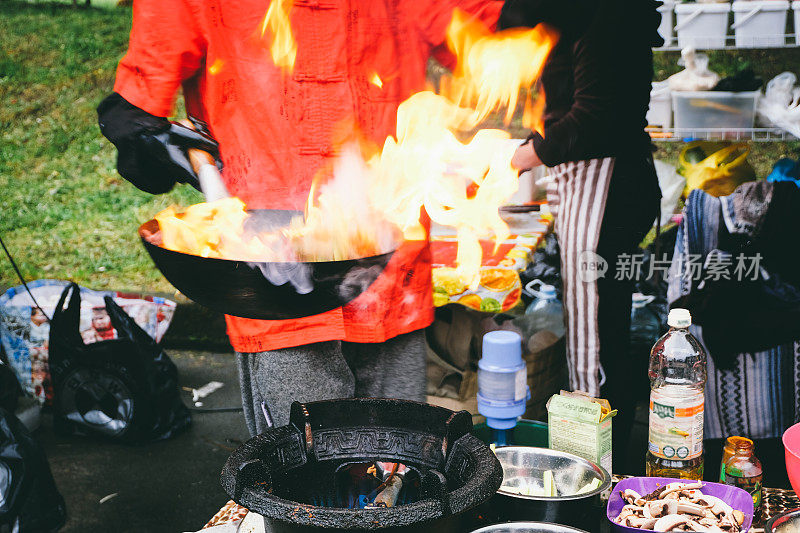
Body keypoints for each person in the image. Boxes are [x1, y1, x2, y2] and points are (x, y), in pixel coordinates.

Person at [98, 0, 504, 433]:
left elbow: (481, 32)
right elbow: (144, 90)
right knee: (302, 477)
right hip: (272, 273)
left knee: (397, 465)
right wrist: (144, 138)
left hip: (387, 269)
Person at [500, 0, 663, 467]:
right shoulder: (588, 16)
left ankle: (599, 473)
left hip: (607, 187)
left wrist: (525, 155)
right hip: (597, 183)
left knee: (594, 337)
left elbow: (595, 119)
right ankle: (603, 461)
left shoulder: (609, 16)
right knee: (597, 325)